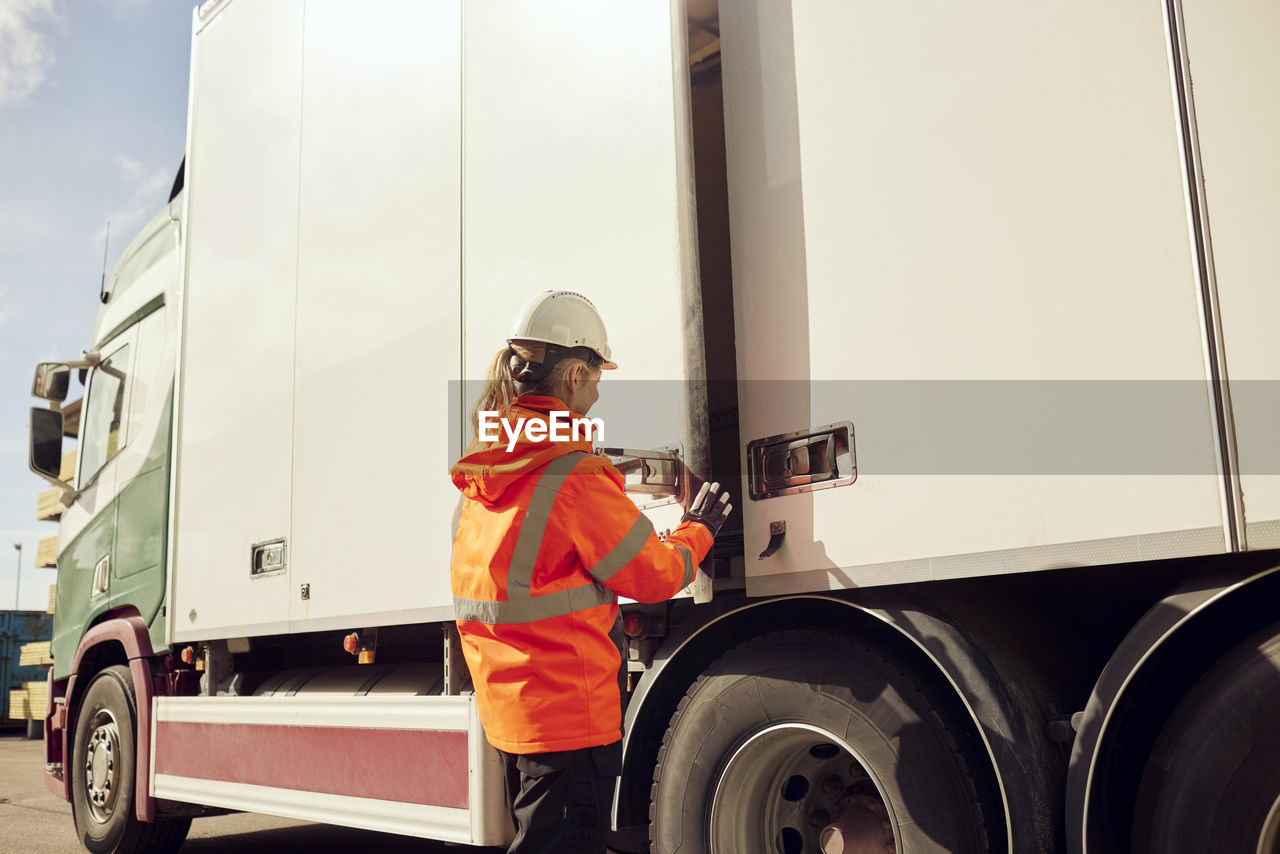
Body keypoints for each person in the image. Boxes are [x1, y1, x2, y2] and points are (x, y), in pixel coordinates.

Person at [450, 290, 731, 853]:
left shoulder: (488, 473)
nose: (600, 390)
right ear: (575, 375)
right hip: (567, 722)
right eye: (599, 375)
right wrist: (698, 528)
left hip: (516, 717)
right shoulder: (573, 476)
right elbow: (652, 575)